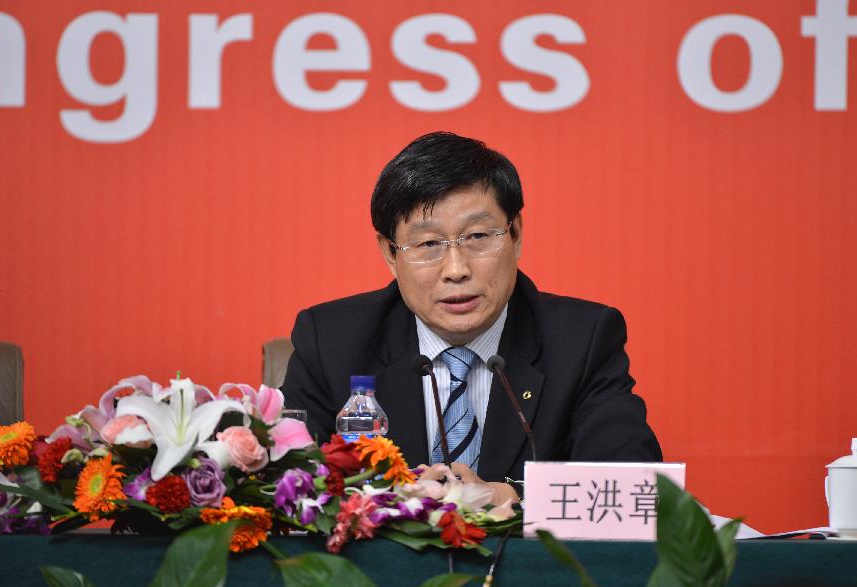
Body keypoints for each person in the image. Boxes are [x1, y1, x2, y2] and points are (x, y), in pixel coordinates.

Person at [282, 132, 661, 484]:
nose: (457, 270)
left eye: (478, 236)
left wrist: (519, 504)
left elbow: (631, 487)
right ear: (390, 253)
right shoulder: (331, 343)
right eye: (428, 244)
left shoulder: (582, 341)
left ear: (515, 235)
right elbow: (289, 490)